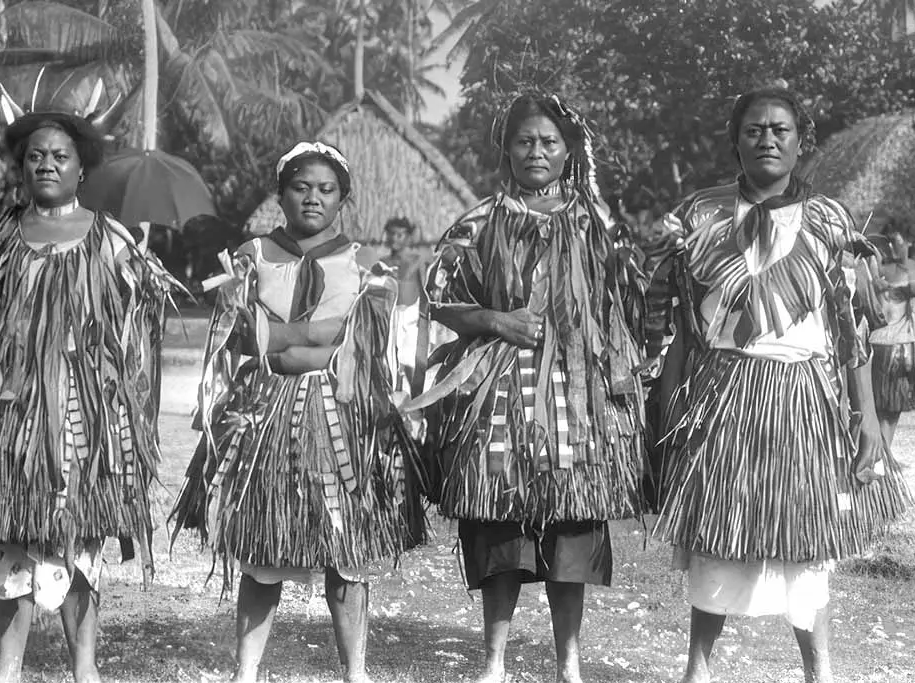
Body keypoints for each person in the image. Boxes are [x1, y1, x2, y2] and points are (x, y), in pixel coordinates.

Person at [0, 84, 181, 683]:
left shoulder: (111, 240)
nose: (48, 164)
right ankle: (8, 669)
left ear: (82, 166)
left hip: (83, 414)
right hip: (8, 407)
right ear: (22, 166)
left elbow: (134, 333)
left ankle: (85, 669)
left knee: (80, 544)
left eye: (60, 155)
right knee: (9, 539)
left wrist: (123, 403)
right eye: (36, 155)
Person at [645, 86, 912, 683]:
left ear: (800, 142)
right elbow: (684, 330)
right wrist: (669, 405)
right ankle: (698, 669)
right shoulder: (700, 216)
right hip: (723, 393)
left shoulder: (831, 222)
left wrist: (866, 416)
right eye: (754, 130)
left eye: (780, 130)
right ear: (736, 141)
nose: (767, 138)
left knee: (806, 539)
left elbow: (851, 334)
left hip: (803, 396)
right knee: (718, 530)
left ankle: (820, 669)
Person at [407, 93, 646, 683]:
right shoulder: (478, 223)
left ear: (569, 151)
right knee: (500, 526)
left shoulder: (598, 227)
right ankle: (494, 660)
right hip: (498, 392)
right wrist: (497, 321)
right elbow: (442, 301)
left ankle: (569, 663)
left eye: (549, 142)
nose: (537, 152)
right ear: (506, 150)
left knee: (572, 524)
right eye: (525, 141)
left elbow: (626, 304)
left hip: (578, 397)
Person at [169, 141, 428, 683]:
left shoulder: (366, 266)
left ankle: (354, 671)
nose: (313, 198)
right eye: (301, 187)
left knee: (346, 548)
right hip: (265, 415)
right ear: (281, 195)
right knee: (263, 547)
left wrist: (283, 335)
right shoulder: (252, 257)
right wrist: (317, 336)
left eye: (326, 190)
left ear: (342, 200)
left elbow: (363, 346)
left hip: (341, 414)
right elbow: (239, 339)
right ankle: (247, 671)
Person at [866, 218, 915, 446]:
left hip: (892, 346)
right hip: (889, 347)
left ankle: (882, 456)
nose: (893, 247)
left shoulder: (909, 270)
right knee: (885, 411)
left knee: (888, 410)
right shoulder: (881, 269)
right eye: (890, 242)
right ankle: (881, 458)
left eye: (896, 242)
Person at [381, 216, 426, 387]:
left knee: (410, 361)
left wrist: (425, 320)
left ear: (408, 237)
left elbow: (425, 291)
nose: (394, 238)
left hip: (411, 317)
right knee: (389, 362)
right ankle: (393, 403)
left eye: (399, 235)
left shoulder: (417, 261)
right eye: (391, 234)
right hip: (389, 316)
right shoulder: (383, 263)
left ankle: (418, 404)